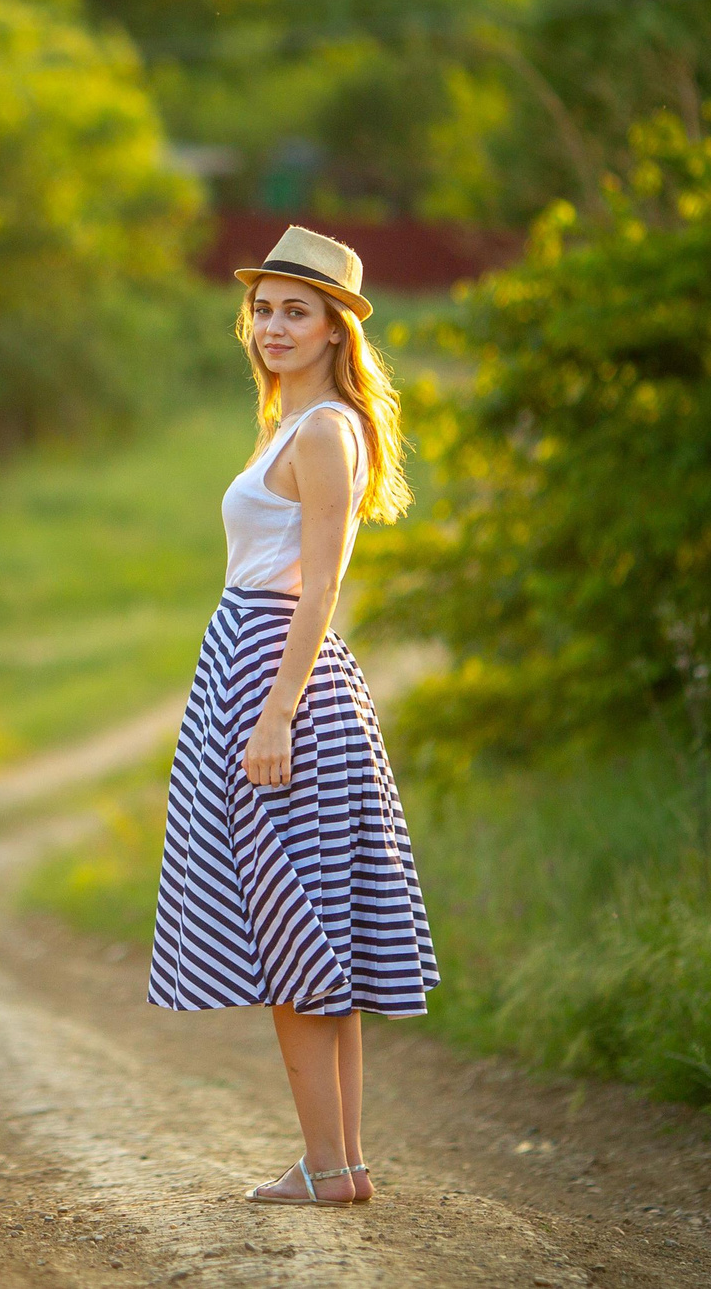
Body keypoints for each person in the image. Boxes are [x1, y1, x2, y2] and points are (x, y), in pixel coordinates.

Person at [145, 224, 436, 1207]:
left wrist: (273, 717)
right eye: (263, 308)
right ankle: (340, 1164)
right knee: (319, 936)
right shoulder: (299, 423)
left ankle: (325, 1165)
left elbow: (318, 589)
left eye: (294, 312)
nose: (272, 326)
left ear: (333, 331)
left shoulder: (319, 431)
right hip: (262, 668)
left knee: (289, 935)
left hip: (277, 679)